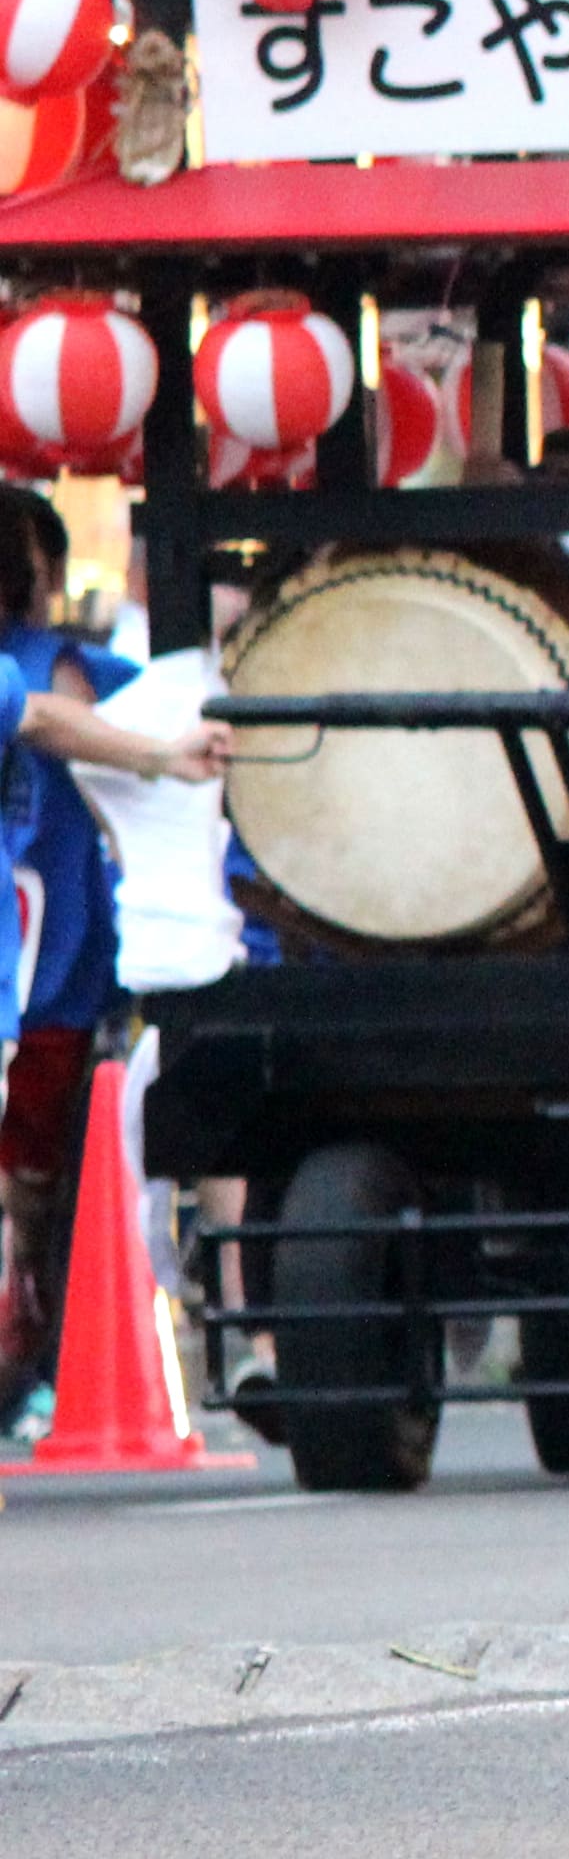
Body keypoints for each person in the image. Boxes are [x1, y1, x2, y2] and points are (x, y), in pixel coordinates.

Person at [0, 493, 212, 1441]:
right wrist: (169, 757)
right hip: (44, 970)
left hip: (45, 967)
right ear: (36, 574)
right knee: (31, 1186)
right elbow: (57, 718)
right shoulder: (57, 673)